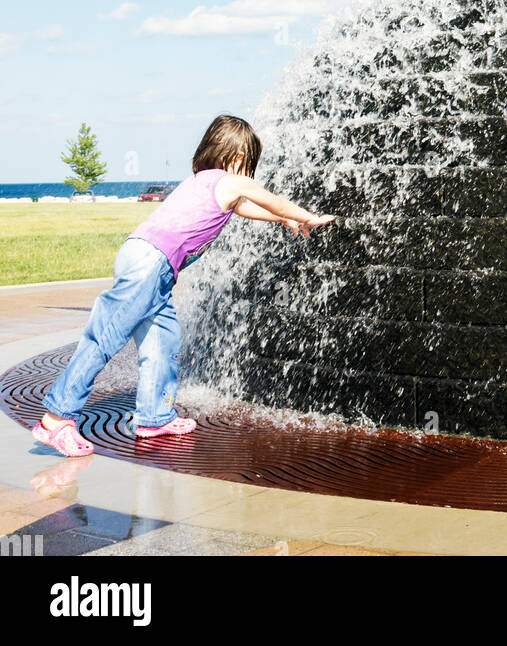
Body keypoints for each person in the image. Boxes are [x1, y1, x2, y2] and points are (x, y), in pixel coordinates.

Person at [32, 114, 334, 457]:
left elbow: (245, 207)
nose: (248, 169)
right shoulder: (227, 179)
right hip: (150, 262)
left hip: (154, 266)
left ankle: (153, 417)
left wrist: (283, 219)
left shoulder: (205, 182)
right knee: (105, 337)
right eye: (248, 160)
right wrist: (305, 215)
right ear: (235, 155)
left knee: (163, 341)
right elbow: (264, 197)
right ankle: (56, 419)